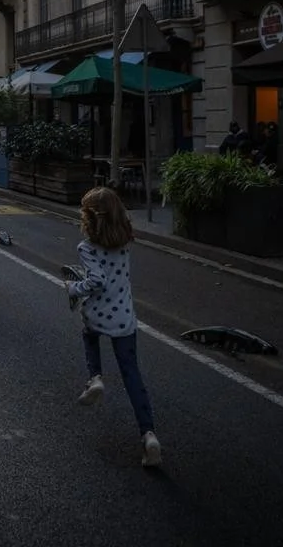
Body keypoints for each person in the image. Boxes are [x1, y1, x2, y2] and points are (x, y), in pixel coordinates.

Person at [64, 186, 162, 468]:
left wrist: (74, 288)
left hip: (97, 313)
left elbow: (97, 281)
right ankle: (149, 435)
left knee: (89, 335)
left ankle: (95, 377)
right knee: (132, 375)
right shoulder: (125, 242)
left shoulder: (86, 248)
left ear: (90, 218)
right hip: (124, 319)